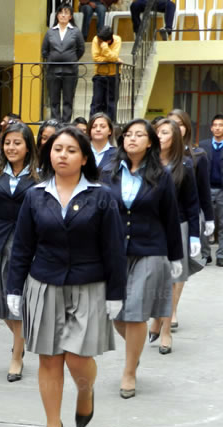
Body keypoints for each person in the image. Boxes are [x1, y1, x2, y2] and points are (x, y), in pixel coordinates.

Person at [7, 126, 127, 427]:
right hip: (44, 284)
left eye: (71, 150)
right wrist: (14, 288)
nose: (63, 155)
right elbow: (22, 246)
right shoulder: (35, 196)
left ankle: (85, 392)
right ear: (49, 154)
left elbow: (114, 248)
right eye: (57, 149)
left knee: (77, 357)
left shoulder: (102, 197)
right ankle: (53, 424)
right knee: (49, 358)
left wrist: (116, 293)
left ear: (84, 158)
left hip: (89, 286)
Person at [100, 119, 183, 399]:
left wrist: (176, 256)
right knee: (116, 316)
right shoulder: (108, 172)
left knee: (135, 312)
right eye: (128, 134)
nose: (132, 139)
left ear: (150, 143)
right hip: (114, 252)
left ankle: (129, 372)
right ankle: (134, 352)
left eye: (139, 135)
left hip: (150, 249)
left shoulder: (162, 175)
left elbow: (171, 217)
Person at [0, 122, 40, 382]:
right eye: (7, 143)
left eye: (17, 143)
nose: (11, 147)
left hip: (26, 246)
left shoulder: (40, 177)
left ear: (28, 147)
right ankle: (20, 340)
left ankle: (16, 356)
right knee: (2, 304)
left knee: (19, 303)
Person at [147, 119, 200, 353]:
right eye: (157, 132)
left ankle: (166, 330)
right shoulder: (146, 164)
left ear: (175, 138)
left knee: (171, 280)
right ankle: (156, 319)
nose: (160, 136)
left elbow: (192, 203)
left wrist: (195, 235)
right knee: (154, 278)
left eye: (165, 132)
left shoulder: (184, 166)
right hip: (150, 227)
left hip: (178, 226)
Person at [167, 109, 214, 268]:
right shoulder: (158, 155)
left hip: (185, 216)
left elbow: (203, 190)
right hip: (161, 218)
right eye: (172, 124)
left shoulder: (197, 155)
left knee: (179, 266)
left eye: (180, 124)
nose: (176, 128)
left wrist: (209, 217)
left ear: (186, 128)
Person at [42, 4, 85, 123]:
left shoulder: (75, 31)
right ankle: (56, 124)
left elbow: (81, 49)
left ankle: (66, 124)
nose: (63, 15)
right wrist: (52, 59)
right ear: (57, 15)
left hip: (70, 70)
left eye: (66, 13)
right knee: (54, 100)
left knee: (68, 99)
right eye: (61, 13)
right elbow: (44, 50)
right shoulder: (50, 32)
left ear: (70, 16)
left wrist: (71, 58)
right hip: (53, 71)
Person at [197, 114, 223, 266]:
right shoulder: (203, 145)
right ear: (211, 128)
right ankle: (206, 254)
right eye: (215, 125)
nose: (218, 128)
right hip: (205, 189)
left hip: (222, 190)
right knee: (204, 223)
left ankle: (221, 255)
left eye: (221, 125)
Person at [91, 26, 122, 121]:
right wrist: (114, 59)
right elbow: (96, 58)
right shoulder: (96, 39)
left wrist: (105, 47)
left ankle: (110, 124)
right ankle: (93, 123)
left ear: (108, 41)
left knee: (111, 103)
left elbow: (114, 57)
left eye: (101, 41)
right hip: (99, 75)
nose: (99, 41)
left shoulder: (117, 40)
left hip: (113, 75)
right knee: (96, 102)